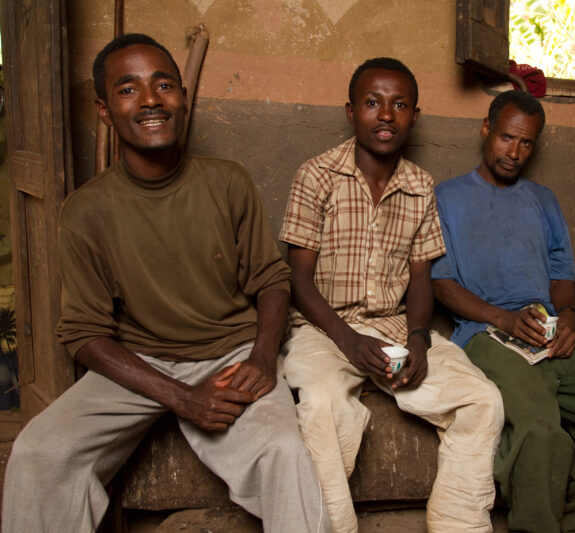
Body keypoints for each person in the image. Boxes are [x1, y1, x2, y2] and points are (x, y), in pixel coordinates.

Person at [1, 34, 330, 533]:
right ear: (105, 110)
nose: (151, 100)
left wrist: (263, 358)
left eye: (163, 85)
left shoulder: (227, 182)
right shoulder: (86, 211)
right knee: (38, 453)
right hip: (140, 363)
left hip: (230, 357)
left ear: (182, 98)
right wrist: (181, 397)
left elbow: (271, 280)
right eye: (128, 89)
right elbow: (84, 335)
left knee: (284, 453)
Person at [279, 57, 504, 533]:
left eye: (399, 104)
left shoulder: (420, 186)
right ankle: (332, 526)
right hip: (323, 327)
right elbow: (298, 281)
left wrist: (420, 339)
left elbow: (421, 279)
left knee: (482, 399)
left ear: (415, 116)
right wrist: (349, 341)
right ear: (350, 111)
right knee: (320, 403)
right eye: (372, 103)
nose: (386, 115)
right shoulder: (316, 176)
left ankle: (456, 523)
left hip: (393, 327)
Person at [430, 89, 575, 533]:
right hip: (485, 332)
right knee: (539, 430)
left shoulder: (543, 199)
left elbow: (561, 274)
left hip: (551, 327)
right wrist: (503, 319)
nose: (515, 152)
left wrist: (567, 318)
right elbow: (442, 284)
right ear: (486, 129)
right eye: (507, 138)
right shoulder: (446, 197)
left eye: (527, 143)